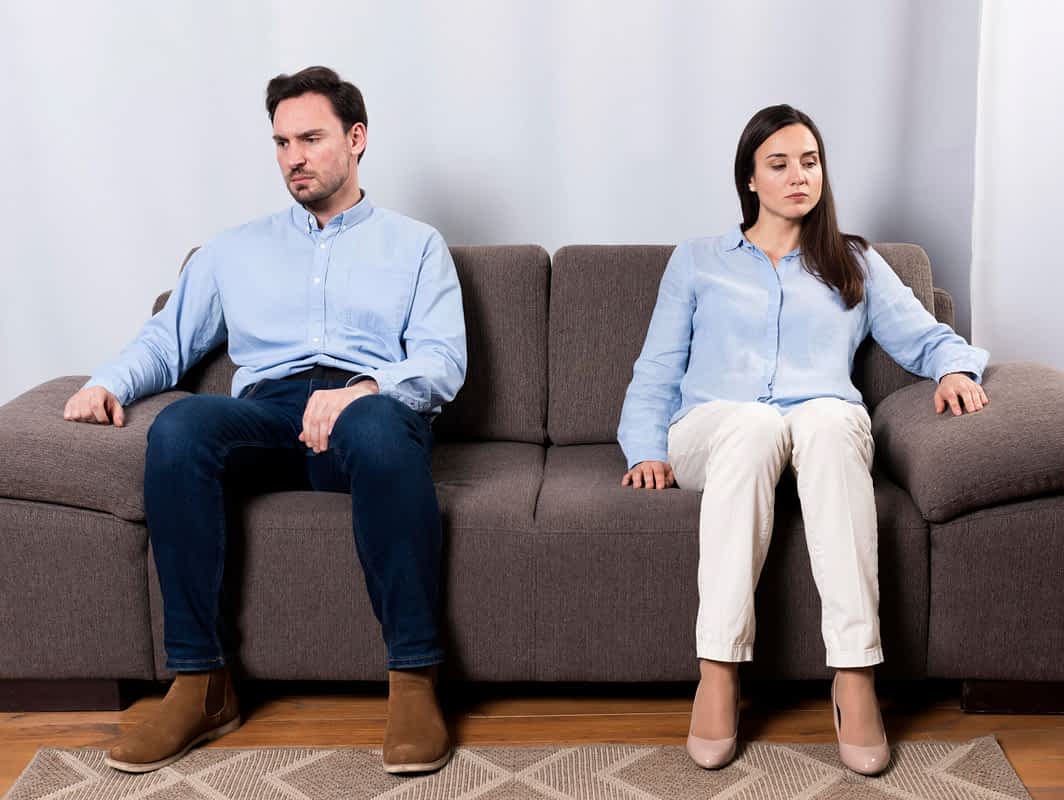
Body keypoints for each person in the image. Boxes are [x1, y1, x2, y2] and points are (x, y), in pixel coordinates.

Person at [62, 66, 466, 776]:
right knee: (180, 430)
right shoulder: (232, 250)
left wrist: (365, 387)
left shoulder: (416, 246)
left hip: (366, 412)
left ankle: (414, 679)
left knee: (377, 428)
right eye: (281, 142)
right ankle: (200, 683)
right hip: (269, 415)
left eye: (310, 138)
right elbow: (169, 338)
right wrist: (105, 383)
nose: (293, 158)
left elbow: (440, 362)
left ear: (357, 139)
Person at [617, 104, 988, 776]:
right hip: (717, 429)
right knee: (756, 425)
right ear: (750, 179)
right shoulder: (698, 261)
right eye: (780, 164)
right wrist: (646, 448)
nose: (798, 176)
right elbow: (655, 373)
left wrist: (955, 368)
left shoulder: (853, 262)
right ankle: (720, 671)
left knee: (828, 416)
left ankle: (854, 676)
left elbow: (925, 333)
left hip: (821, 432)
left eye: (809, 162)